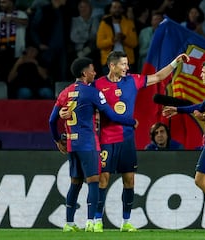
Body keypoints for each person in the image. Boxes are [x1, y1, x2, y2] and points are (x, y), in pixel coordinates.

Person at [60, 51, 190, 232]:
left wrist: (175, 62)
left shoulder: (133, 81)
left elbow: (159, 76)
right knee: (103, 180)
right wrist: (63, 112)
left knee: (129, 180)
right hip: (106, 138)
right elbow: (75, 95)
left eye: (127, 64)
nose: (127, 68)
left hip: (128, 139)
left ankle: (126, 221)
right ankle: (97, 220)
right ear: (112, 66)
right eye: (123, 64)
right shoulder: (97, 84)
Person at [49, 57, 137, 233]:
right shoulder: (92, 92)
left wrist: (58, 140)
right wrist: (131, 121)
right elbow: (111, 115)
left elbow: (52, 120)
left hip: (72, 144)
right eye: (92, 70)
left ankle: (69, 223)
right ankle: (91, 222)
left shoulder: (65, 92)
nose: (95, 73)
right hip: (89, 144)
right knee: (94, 183)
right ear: (84, 73)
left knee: (75, 183)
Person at [162, 60, 205, 204]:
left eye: (203, 72)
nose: (201, 75)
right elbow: (201, 106)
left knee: (199, 180)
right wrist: (177, 109)